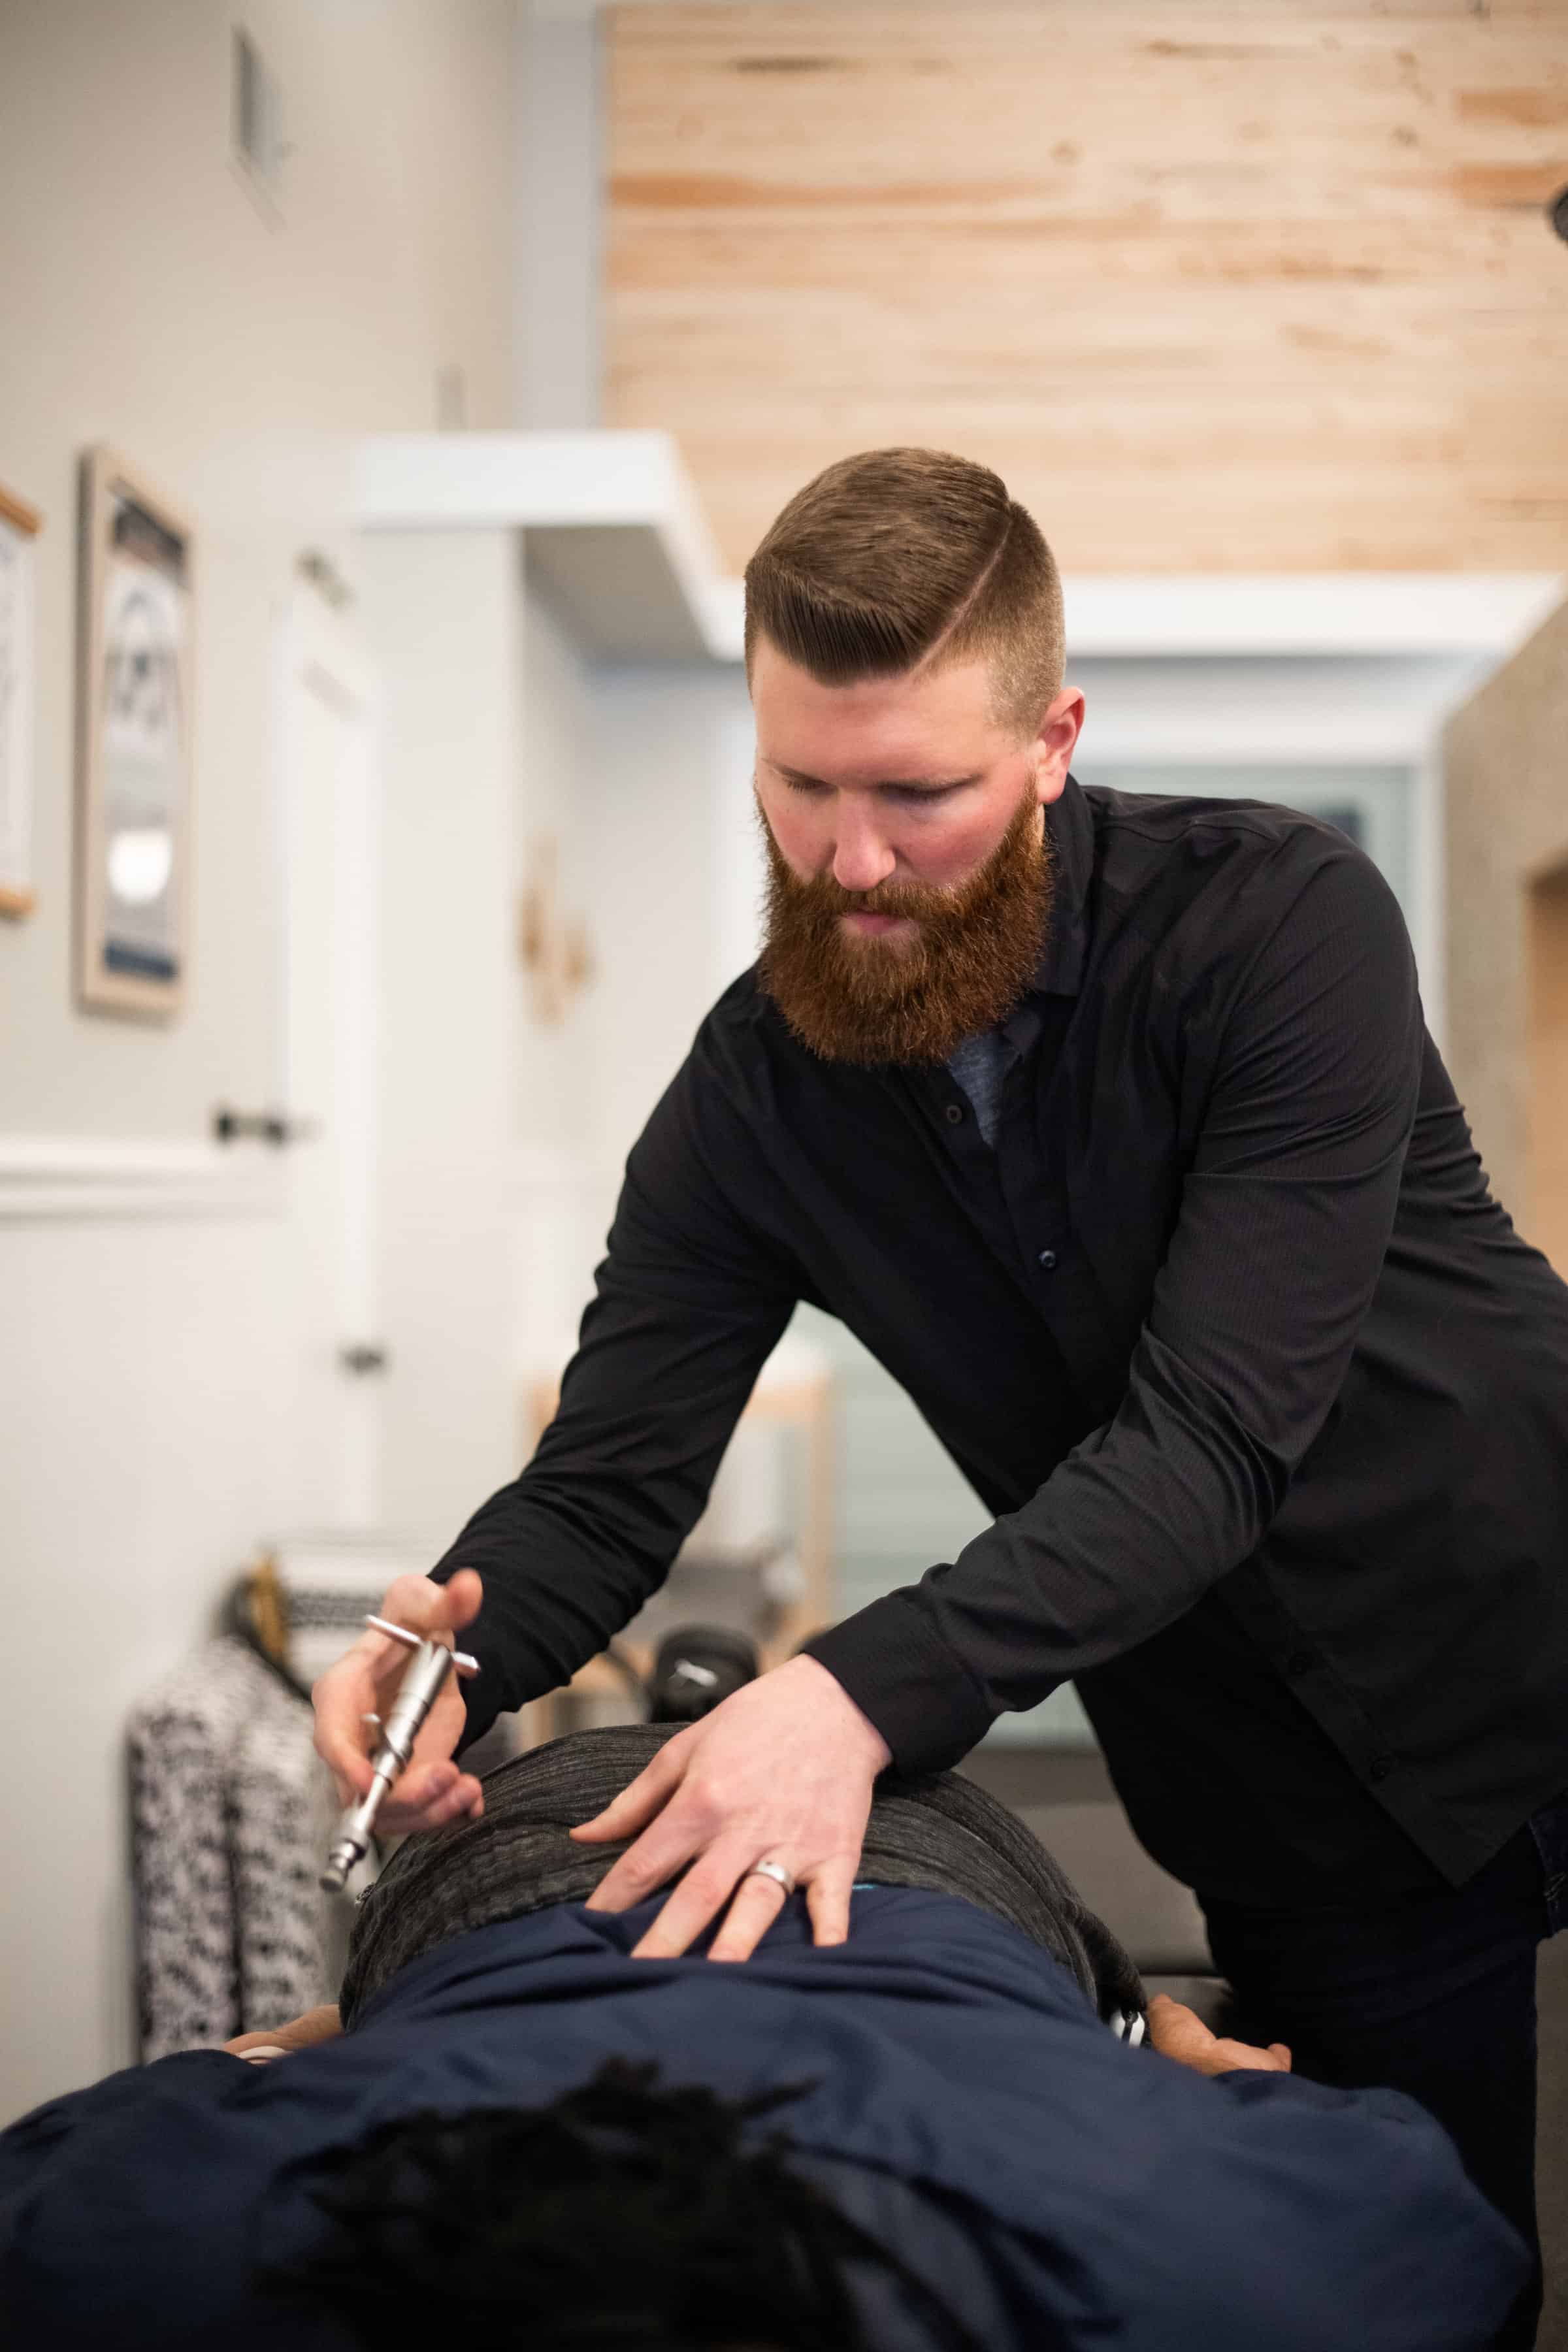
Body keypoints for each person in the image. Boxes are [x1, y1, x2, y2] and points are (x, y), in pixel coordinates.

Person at [314, 448, 1568, 2345]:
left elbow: (1215, 1433)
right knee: (1417, 2257)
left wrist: (847, 1698)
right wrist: (451, 1666)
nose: (852, 859)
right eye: (799, 784)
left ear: (1055, 739)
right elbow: (606, 1485)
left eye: (922, 794)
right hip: (1278, 1782)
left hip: (1522, 1600)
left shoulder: (1279, 928)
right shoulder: (751, 1094)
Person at [0, 1728, 1527, 2349]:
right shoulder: (172, 2250)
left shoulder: (1201, 2260)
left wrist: (1175, 2059)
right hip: (539, 1903)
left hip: (869, 1893)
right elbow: (169, 2103)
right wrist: (344, 2049)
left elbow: (1372, 2168)